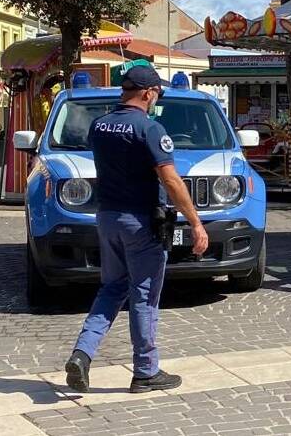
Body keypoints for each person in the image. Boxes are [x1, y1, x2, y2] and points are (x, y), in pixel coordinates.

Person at [65, 65, 208, 394]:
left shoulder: (98, 126)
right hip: (141, 222)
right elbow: (170, 179)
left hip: (108, 218)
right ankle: (145, 371)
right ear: (148, 93)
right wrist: (196, 222)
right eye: (156, 93)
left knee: (111, 289)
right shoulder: (150, 129)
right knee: (143, 296)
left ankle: (82, 354)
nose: (156, 98)